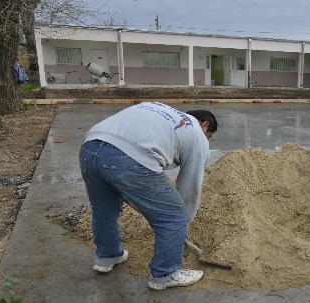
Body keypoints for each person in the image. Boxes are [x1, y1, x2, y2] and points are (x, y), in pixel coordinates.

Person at [78, 102, 218, 290]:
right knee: (174, 215)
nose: (207, 140)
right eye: (209, 137)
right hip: (129, 157)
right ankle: (165, 274)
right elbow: (189, 186)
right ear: (205, 125)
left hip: (90, 147)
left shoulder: (160, 109)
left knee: (104, 209)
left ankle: (107, 256)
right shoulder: (197, 135)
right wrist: (182, 221)